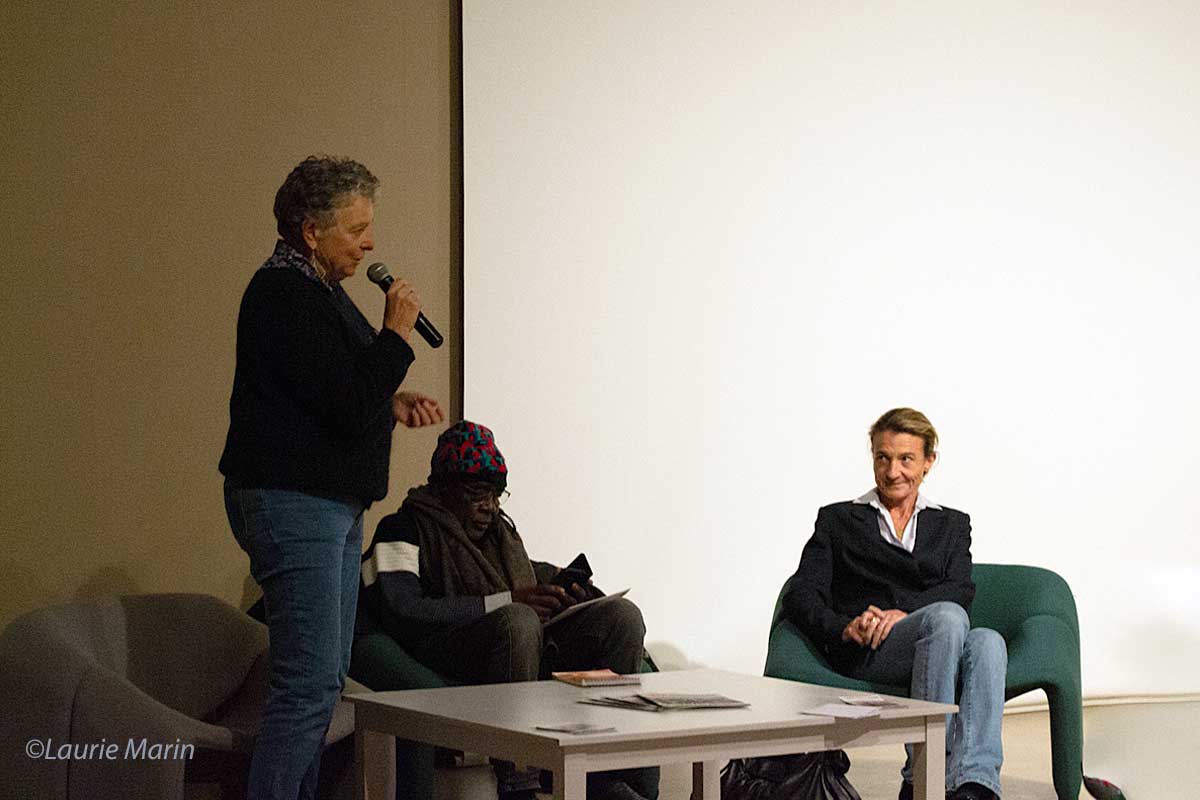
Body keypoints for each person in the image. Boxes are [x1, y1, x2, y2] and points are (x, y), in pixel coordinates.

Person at [219, 155, 445, 800]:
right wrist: (396, 335)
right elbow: (344, 401)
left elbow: (329, 391)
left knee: (323, 680)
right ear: (310, 231)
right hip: (294, 503)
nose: (370, 243)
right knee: (309, 683)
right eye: (356, 228)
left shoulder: (317, 291)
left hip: (329, 505)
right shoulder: (283, 294)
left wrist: (390, 401)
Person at [359, 420, 657, 800]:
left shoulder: (500, 534)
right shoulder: (402, 528)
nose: (490, 506)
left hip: (520, 648)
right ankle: (518, 782)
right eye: (477, 494)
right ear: (443, 488)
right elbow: (403, 609)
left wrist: (567, 593)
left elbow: (527, 574)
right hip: (443, 648)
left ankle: (609, 776)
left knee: (622, 616)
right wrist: (508, 601)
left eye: (496, 495)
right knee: (519, 620)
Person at [782, 408, 1006, 800]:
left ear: (928, 462)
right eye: (883, 458)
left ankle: (975, 784)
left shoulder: (952, 524)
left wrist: (906, 613)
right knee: (947, 617)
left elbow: (960, 588)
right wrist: (844, 626)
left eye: (906, 459)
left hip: (936, 638)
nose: (892, 471)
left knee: (988, 641)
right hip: (871, 649)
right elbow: (801, 593)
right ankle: (923, 776)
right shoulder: (838, 520)